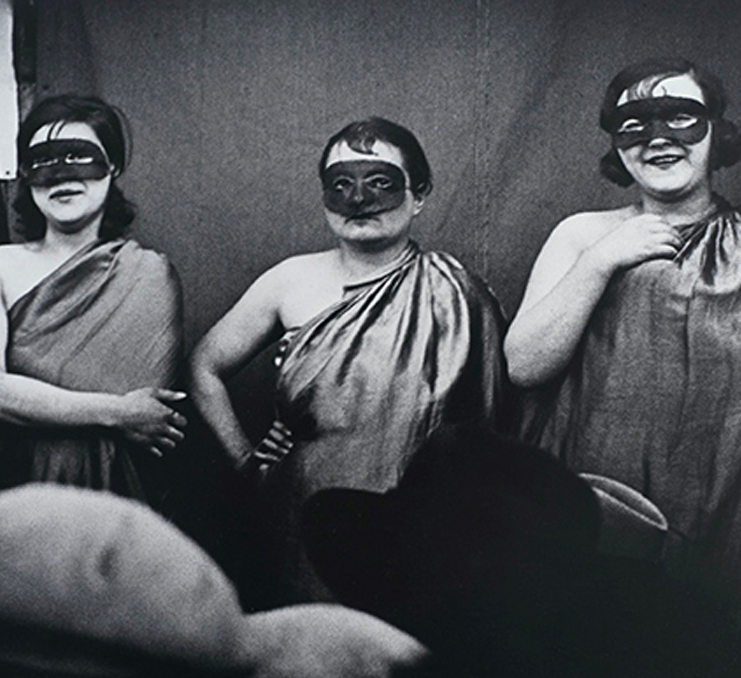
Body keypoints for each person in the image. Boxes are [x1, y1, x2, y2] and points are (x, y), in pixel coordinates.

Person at [190, 117, 507, 607]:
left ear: (418, 195)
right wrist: (245, 459)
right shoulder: (289, 281)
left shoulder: (455, 292)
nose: (359, 200)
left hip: (419, 521)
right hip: (302, 513)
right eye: (341, 186)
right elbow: (205, 365)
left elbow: (487, 422)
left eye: (380, 183)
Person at [504, 58, 741, 601]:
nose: (658, 139)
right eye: (634, 125)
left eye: (679, 117)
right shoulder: (584, 235)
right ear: (618, 148)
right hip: (598, 500)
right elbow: (524, 365)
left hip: (722, 506)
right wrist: (600, 262)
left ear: (717, 132)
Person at [0, 95, 186, 501]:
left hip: (117, 496)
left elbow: (149, 410)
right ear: (26, 175)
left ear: (112, 167)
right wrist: (116, 412)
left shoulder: (148, 274)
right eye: (44, 162)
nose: (62, 175)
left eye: (80, 157)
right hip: (14, 488)